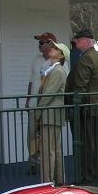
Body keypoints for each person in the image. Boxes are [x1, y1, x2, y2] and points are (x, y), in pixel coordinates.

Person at [65, 28, 98, 183]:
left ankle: (88, 177)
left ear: (86, 41)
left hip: (88, 109)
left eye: (77, 40)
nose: (75, 43)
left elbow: (80, 86)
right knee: (97, 143)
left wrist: (76, 106)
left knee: (87, 144)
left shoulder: (86, 59)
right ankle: (96, 174)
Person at [34, 42, 69, 185]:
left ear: (60, 55)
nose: (51, 49)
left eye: (55, 48)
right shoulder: (54, 70)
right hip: (53, 113)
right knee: (54, 148)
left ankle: (47, 182)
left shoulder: (57, 71)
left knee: (48, 150)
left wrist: (37, 113)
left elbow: (48, 94)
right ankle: (58, 180)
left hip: (50, 113)